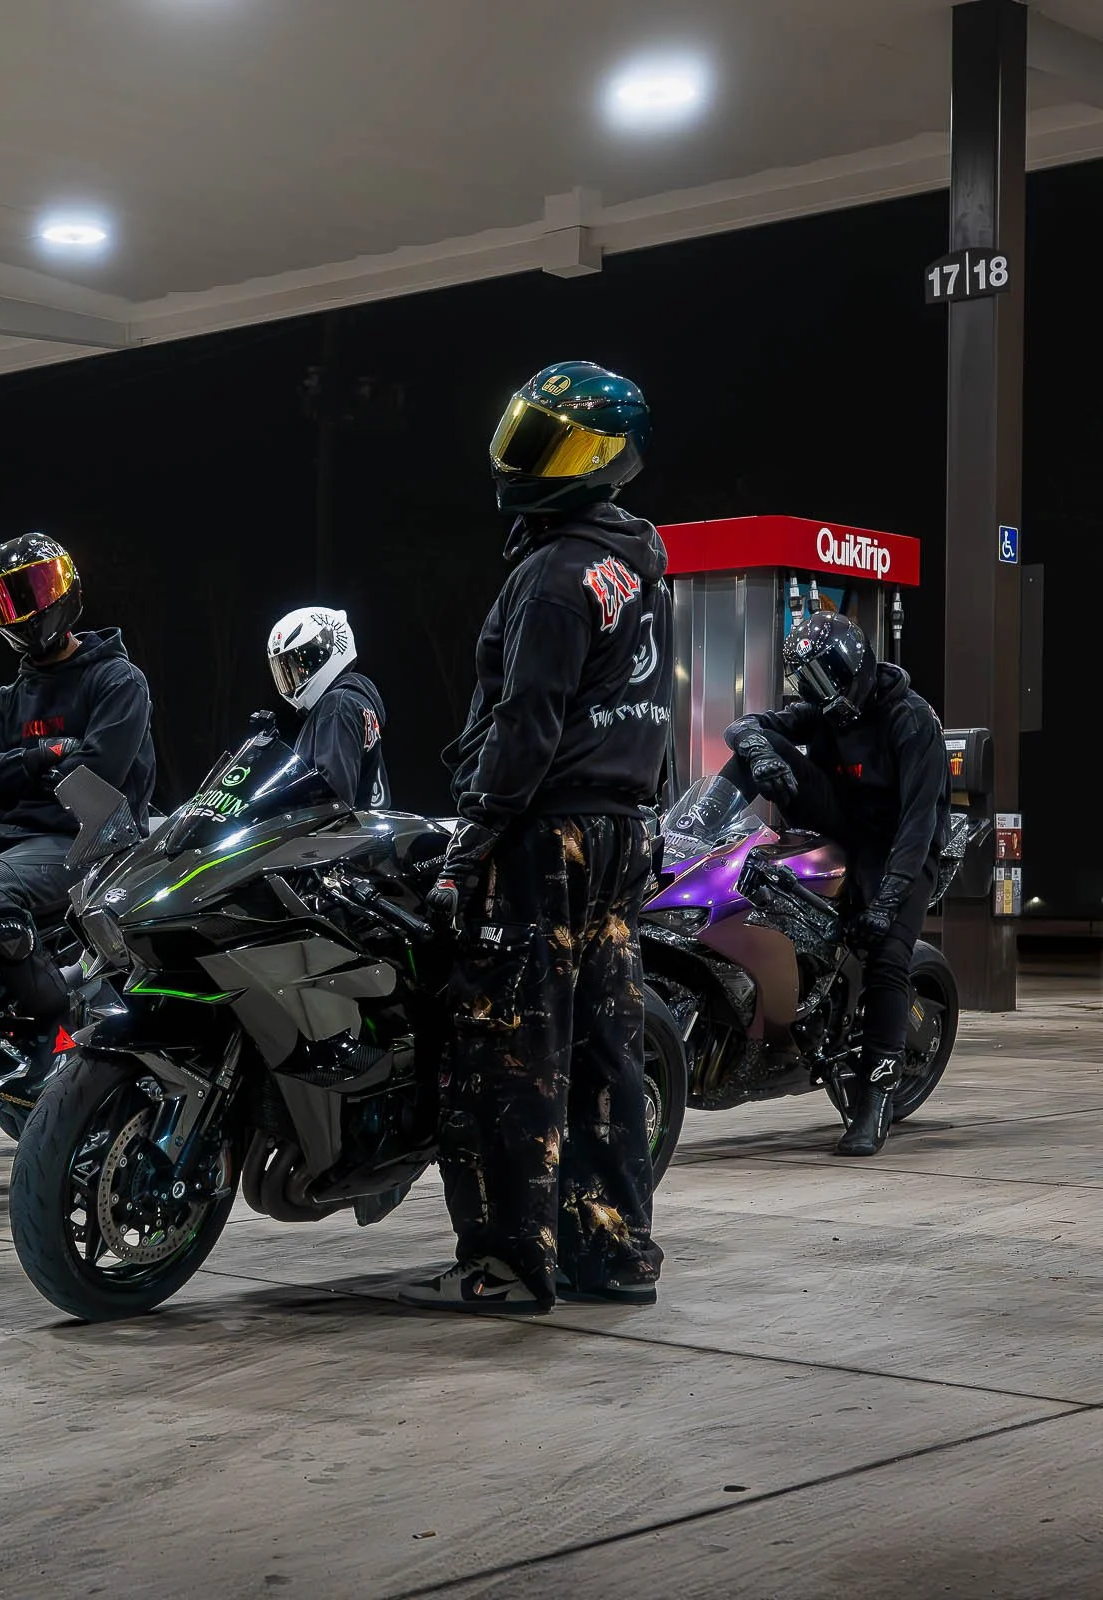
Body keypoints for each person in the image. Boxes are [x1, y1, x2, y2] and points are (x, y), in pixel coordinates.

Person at [404, 360, 673, 1315]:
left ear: (598, 457)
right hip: (618, 833)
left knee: (504, 1057)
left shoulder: (556, 576)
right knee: (606, 1053)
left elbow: (527, 726)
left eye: (544, 441)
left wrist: (469, 845)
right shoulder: (639, 558)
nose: (520, 457)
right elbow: (645, 711)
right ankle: (616, 1253)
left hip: (541, 838)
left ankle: (509, 1265)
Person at [721, 611, 946, 1157]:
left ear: (857, 670)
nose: (818, 696)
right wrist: (756, 751)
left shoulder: (912, 721)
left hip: (900, 847)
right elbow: (744, 725)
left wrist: (886, 902)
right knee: (761, 748)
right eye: (810, 683)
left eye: (826, 680)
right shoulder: (827, 711)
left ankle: (874, 1100)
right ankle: (687, 848)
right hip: (843, 824)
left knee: (888, 958)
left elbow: (919, 827)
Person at [0, 533, 156, 1103]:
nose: (24, 610)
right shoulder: (5, 699)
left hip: (94, 842)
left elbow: (99, 772)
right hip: (22, 834)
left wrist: (17, 767)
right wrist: (48, 754)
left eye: (35, 589)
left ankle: (54, 1023)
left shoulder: (117, 680)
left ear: (66, 587)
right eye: (7, 600)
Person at [267, 606, 390, 809]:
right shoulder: (355, 701)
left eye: (301, 662)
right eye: (286, 668)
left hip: (339, 839)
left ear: (327, 651)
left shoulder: (337, 705)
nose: (295, 673)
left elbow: (332, 801)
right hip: (362, 834)